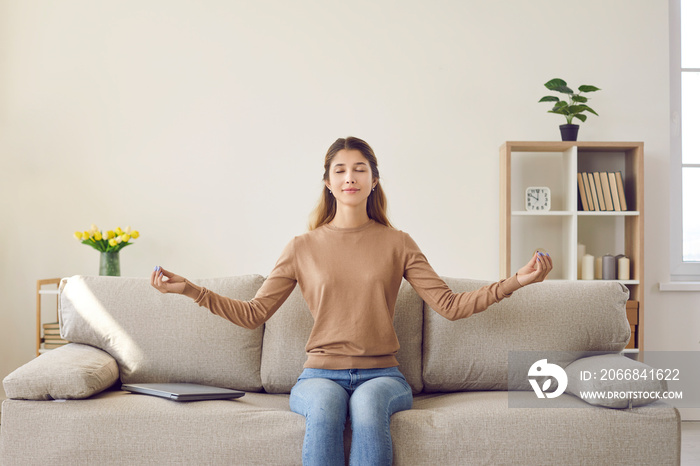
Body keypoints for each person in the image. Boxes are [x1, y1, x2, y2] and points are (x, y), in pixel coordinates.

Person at [151, 136, 553, 466]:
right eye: (340, 170)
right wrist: (190, 289)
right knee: (325, 410)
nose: (350, 177)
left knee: (366, 407)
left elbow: (448, 305)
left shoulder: (398, 243)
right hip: (318, 377)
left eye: (360, 169)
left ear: (374, 180)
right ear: (327, 182)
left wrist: (515, 281)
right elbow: (254, 314)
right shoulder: (302, 247)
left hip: (383, 377)